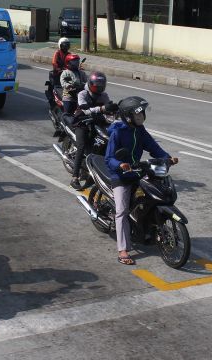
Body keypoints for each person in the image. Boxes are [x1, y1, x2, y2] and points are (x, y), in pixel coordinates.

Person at [105, 96, 177, 265]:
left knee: (153, 195)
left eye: (142, 113)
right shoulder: (118, 132)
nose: (141, 117)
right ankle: (123, 249)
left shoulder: (140, 130)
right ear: (128, 116)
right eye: (138, 114)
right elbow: (108, 159)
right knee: (121, 211)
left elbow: (153, 147)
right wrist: (120, 164)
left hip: (137, 172)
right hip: (120, 176)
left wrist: (167, 158)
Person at [69, 71, 118, 190]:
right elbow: (85, 110)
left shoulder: (104, 95)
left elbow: (109, 108)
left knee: (110, 139)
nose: (99, 86)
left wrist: (116, 110)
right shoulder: (83, 93)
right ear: (90, 83)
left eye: (101, 84)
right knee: (81, 146)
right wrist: (102, 108)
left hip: (98, 122)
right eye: (97, 84)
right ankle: (75, 178)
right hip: (82, 122)